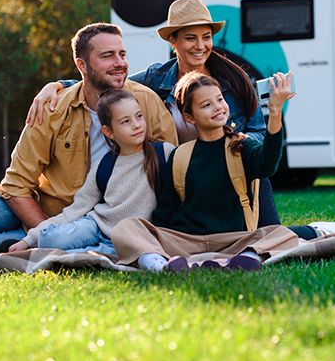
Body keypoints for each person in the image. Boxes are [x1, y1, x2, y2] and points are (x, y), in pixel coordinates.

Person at [27, 0, 335, 239]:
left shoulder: (234, 81)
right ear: (173, 42)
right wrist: (57, 85)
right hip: (184, 176)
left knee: (269, 238)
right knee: (196, 240)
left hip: (236, 171)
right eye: (190, 38)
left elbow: (257, 136)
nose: (200, 46)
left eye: (206, 37)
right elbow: (111, 84)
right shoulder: (156, 79)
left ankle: (320, 231)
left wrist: (232, 146)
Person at [0, 23, 177, 254]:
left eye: (122, 54)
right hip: (42, 207)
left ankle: (17, 241)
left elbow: (171, 168)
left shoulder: (145, 101)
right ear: (81, 65)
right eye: (108, 56)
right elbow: (16, 183)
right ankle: (24, 237)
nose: (120, 63)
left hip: (91, 221)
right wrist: (43, 233)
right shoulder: (53, 107)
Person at [113, 71, 300, 272]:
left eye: (219, 99)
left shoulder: (241, 146)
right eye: (206, 105)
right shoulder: (180, 155)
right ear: (189, 117)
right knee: (126, 228)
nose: (218, 107)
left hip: (235, 240)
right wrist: (152, 237)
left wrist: (275, 112)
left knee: (282, 234)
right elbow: (165, 210)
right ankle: (160, 266)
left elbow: (268, 163)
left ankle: (248, 257)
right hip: (187, 241)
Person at [5, 89, 176, 256]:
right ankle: (94, 251)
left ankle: (96, 252)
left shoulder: (164, 153)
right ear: (108, 132)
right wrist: (28, 240)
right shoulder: (105, 165)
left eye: (139, 116)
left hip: (132, 234)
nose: (136, 125)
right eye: (125, 121)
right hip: (96, 226)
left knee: (123, 246)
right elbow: (75, 210)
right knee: (50, 239)